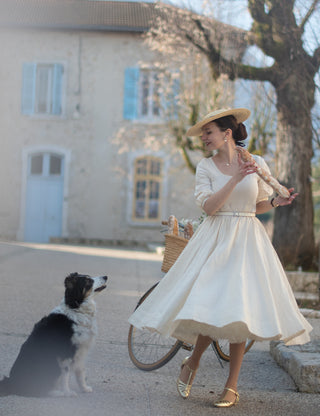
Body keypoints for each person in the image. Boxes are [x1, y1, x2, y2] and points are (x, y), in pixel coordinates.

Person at [128, 108, 312, 408]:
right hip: (216, 239)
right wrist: (236, 178)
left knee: (240, 310)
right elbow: (210, 208)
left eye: (208, 132)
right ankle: (193, 361)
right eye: (203, 133)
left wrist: (278, 200)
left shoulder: (256, 162)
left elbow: (258, 205)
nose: (203, 137)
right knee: (211, 308)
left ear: (227, 133)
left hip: (248, 240)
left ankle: (232, 385)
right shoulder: (205, 167)